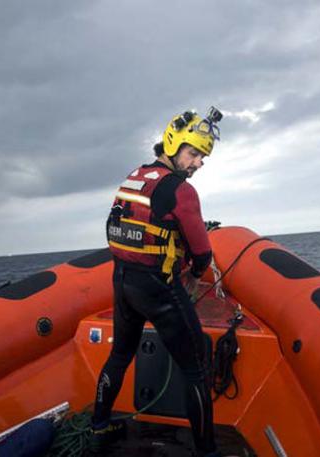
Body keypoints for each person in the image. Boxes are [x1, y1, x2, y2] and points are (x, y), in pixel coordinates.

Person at [90, 107, 224, 457]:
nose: (198, 163)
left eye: (203, 156)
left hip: (123, 282)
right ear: (173, 143)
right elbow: (203, 254)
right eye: (193, 153)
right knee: (196, 370)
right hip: (159, 288)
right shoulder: (180, 190)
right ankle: (208, 452)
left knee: (119, 355)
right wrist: (193, 278)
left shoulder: (135, 177)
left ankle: (99, 427)